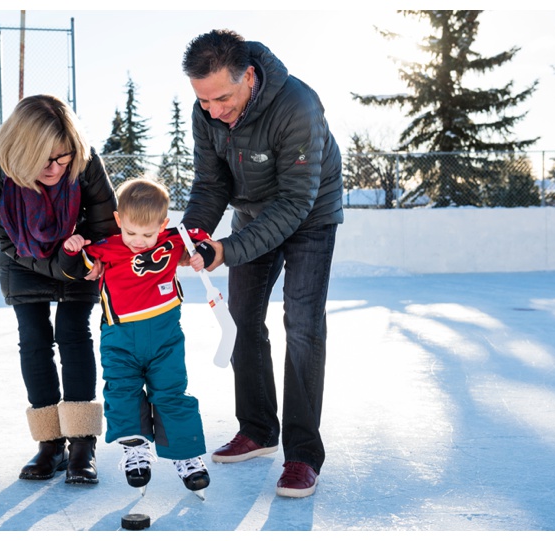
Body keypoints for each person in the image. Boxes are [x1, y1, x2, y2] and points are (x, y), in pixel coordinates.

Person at [180, 29, 344, 498]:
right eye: (204, 100)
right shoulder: (206, 111)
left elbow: (294, 204)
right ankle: (257, 430)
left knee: (304, 322)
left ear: (249, 76)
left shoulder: (299, 106)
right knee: (241, 319)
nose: (213, 110)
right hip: (253, 210)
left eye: (222, 98)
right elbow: (210, 185)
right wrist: (193, 234)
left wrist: (225, 250)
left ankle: (303, 454)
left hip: (309, 212)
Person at [0, 94, 118, 485]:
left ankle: (81, 444)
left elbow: (105, 224)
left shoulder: (84, 158)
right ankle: (49, 444)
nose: (57, 168)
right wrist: (56, 263)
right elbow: (4, 238)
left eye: (63, 159)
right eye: (45, 160)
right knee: (35, 339)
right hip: (21, 258)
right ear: (22, 151)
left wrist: (77, 259)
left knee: (74, 335)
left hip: (79, 255)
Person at [60, 178, 215, 498]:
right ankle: (136, 449)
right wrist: (71, 247)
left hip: (165, 339)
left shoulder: (172, 241)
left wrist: (202, 253)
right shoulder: (106, 248)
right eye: (131, 233)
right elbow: (74, 266)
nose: (140, 241)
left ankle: (187, 456)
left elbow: (201, 241)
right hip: (120, 341)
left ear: (163, 224)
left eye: (148, 234)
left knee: (172, 393)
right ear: (119, 221)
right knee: (122, 392)